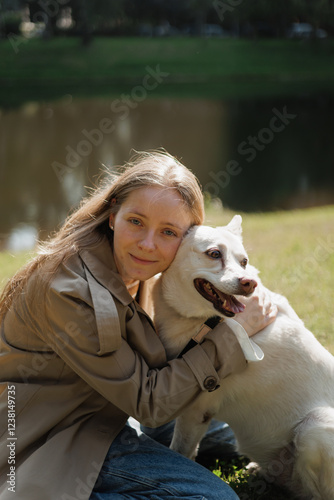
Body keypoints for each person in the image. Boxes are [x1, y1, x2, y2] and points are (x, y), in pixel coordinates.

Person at [0, 150, 277, 500]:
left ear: (188, 237)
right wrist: (236, 337)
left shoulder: (145, 268)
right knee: (213, 498)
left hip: (114, 403)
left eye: (168, 231)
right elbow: (150, 404)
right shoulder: (70, 292)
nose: (148, 245)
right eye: (136, 221)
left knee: (226, 434)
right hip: (53, 433)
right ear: (113, 214)